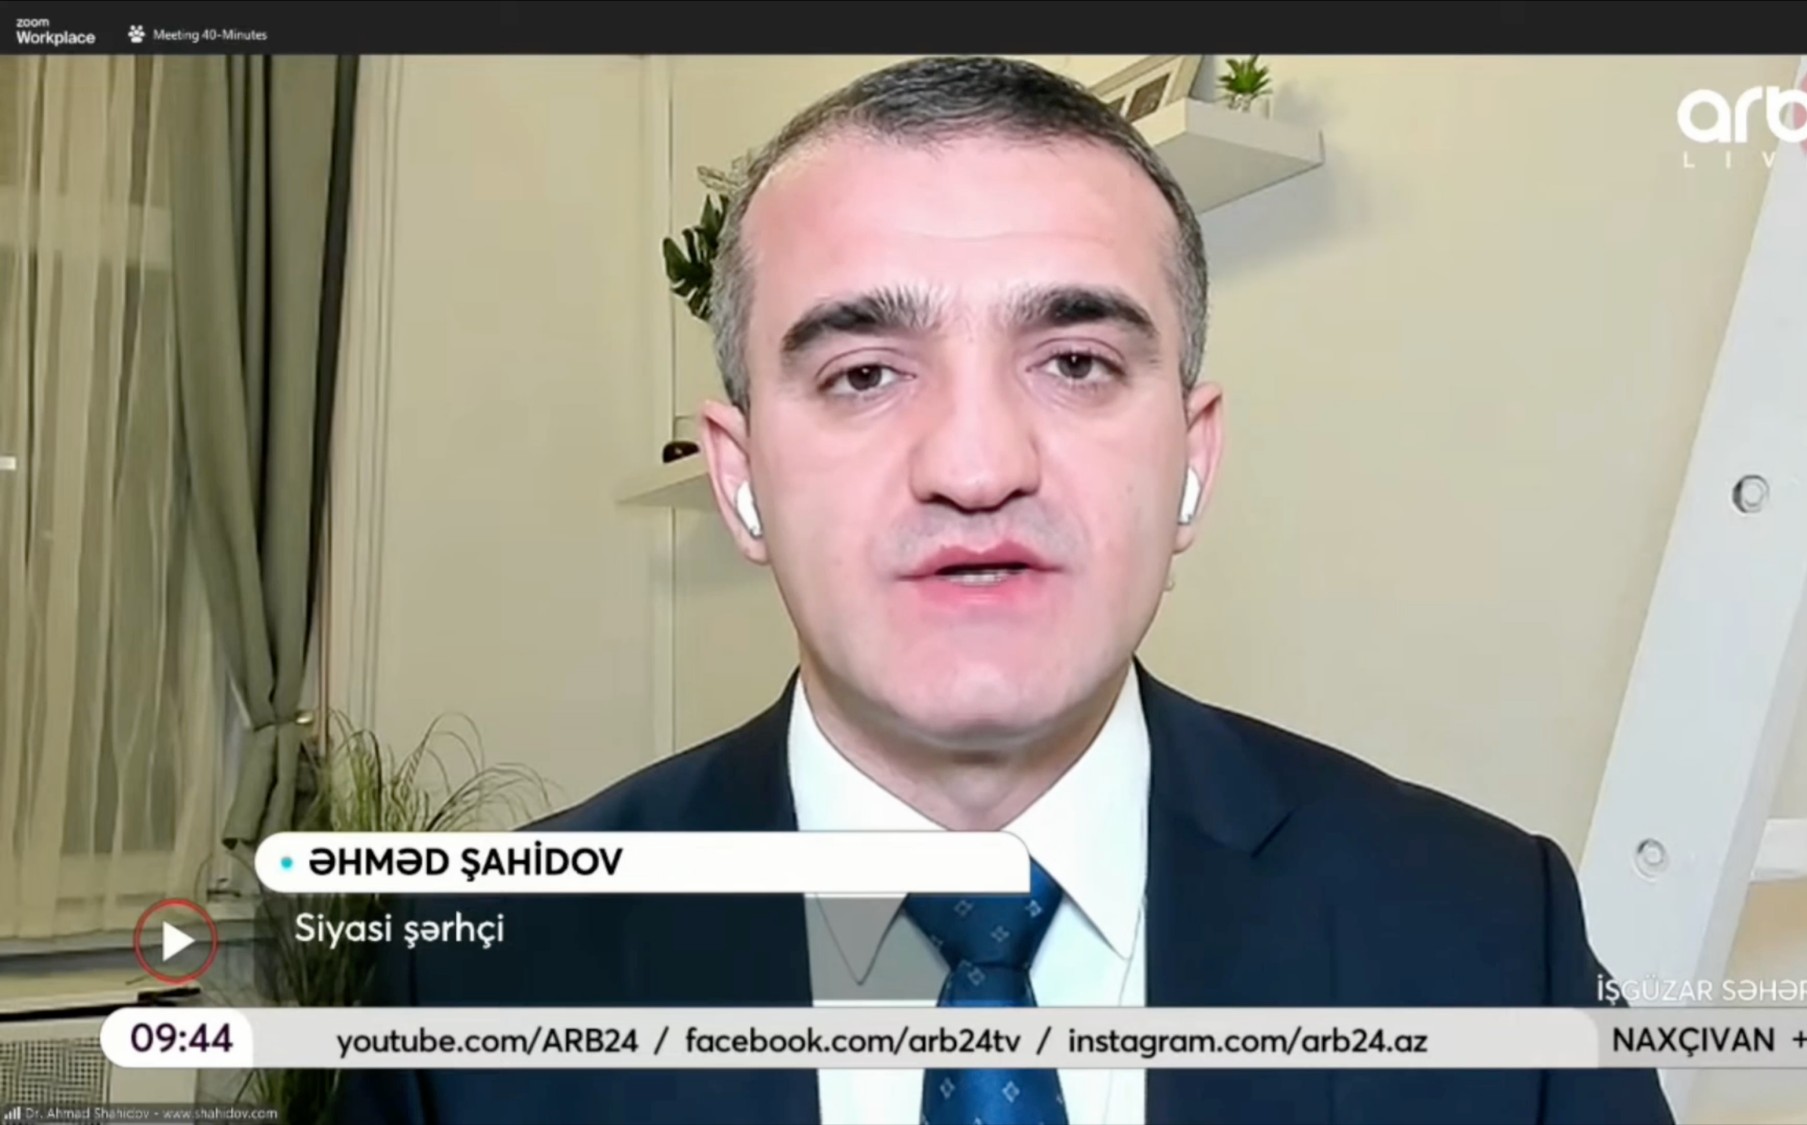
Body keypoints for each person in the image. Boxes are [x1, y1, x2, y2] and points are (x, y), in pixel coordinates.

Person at [335, 55, 1673, 1125]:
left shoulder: (1491, 936)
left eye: (1076, 362)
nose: (977, 466)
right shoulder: (471, 978)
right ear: (740, 484)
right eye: (865, 373)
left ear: (1192, 460)